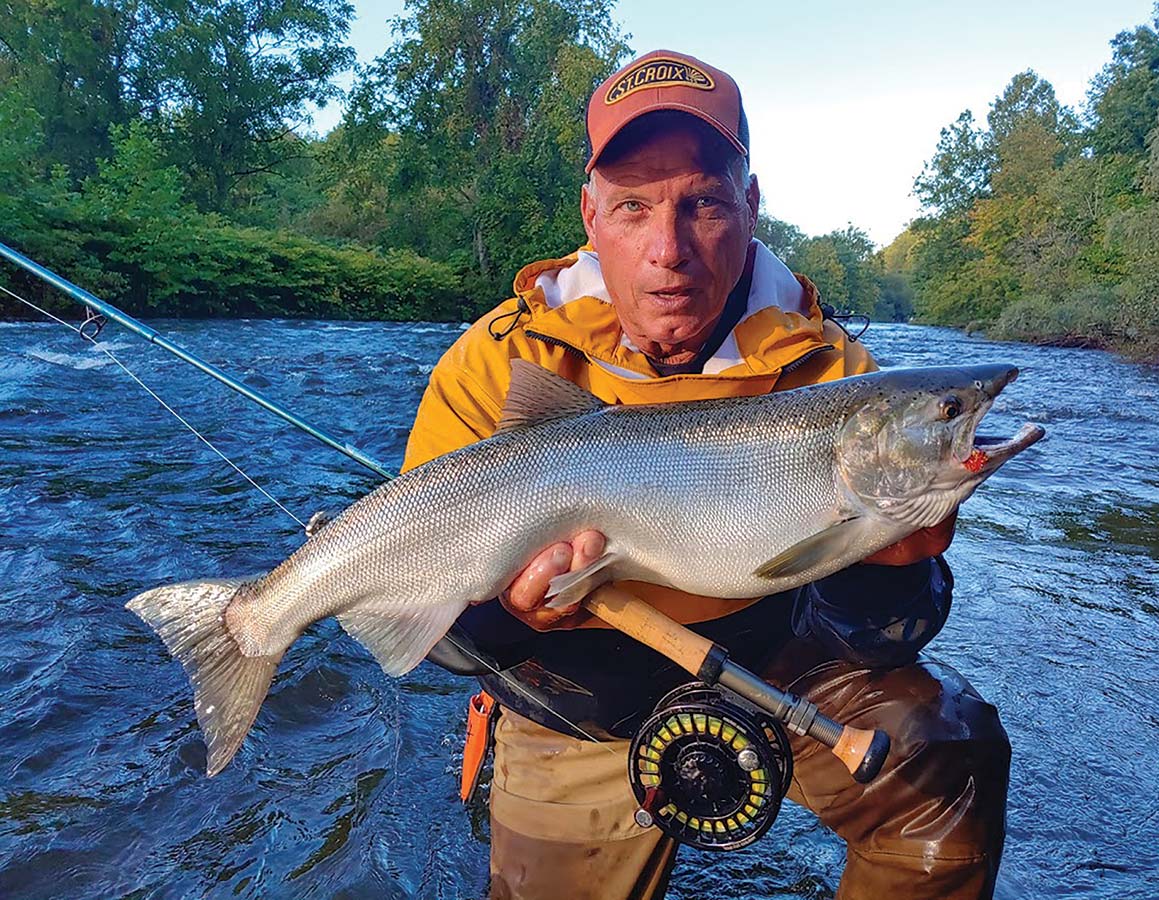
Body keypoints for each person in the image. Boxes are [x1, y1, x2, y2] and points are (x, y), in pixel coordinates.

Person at [403, 50, 1009, 900]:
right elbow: (428, 630)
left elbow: (872, 640)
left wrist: (894, 572)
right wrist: (505, 618)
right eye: (633, 207)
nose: (669, 250)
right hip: (572, 694)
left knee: (948, 758)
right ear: (589, 214)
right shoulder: (495, 362)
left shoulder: (833, 371)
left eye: (704, 205)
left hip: (778, 659)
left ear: (750, 205)